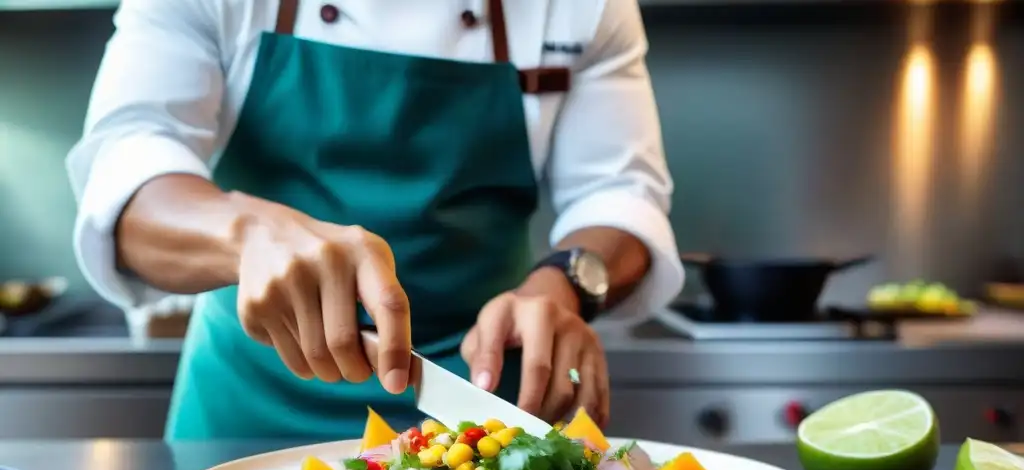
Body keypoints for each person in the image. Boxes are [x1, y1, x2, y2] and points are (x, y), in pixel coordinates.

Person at [68, 0, 683, 440]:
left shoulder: (587, 8)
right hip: (247, 413)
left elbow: (621, 195)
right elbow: (127, 172)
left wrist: (563, 286)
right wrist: (246, 233)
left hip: (481, 411)